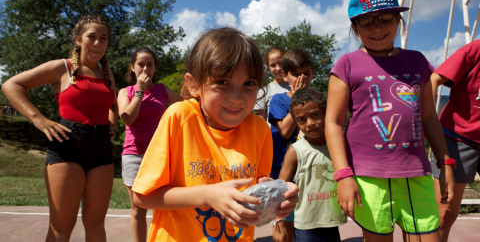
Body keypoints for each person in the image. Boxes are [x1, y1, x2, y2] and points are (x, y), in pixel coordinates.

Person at [130, 27, 299, 242]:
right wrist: (208, 195)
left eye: (249, 84)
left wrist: (280, 194)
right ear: (193, 84)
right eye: (222, 82)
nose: (237, 97)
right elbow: (143, 196)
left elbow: (255, 192)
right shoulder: (180, 117)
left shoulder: (259, 129)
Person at [324, 0, 455, 242]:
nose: (377, 28)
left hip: (417, 173)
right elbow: (333, 122)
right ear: (355, 28)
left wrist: (445, 161)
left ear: (398, 20)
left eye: (386, 18)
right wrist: (343, 175)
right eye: (366, 21)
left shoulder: (418, 61)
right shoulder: (346, 64)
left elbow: (429, 116)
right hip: (369, 178)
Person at [1, 15, 118, 241]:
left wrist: (111, 122)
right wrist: (38, 118)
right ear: (77, 40)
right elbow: (12, 85)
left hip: (101, 148)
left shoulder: (107, 74)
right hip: (67, 146)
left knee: (96, 225)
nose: (97, 43)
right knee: (62, 227)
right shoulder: (62, 67)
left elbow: (112, 103)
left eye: (103, 38)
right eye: (91, 37)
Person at [117, 47, 179, 242]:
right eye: (141, 64)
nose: (145, 69)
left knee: (167, 205)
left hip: (160, 155)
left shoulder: (162, 90)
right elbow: (127, 118)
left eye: (150, 65)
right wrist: (140, 92)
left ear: (155, 68)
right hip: (133, 155)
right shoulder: (124, 92)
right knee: (138, 208)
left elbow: (185, 107)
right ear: (132, 68)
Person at [276, 87, 346, 242]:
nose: (310, 123)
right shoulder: (295, 151)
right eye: (301, 119)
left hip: (332, 222)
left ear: (326, 112)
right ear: (295, 122)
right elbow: (280, 189)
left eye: (315, 115)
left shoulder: (337, 146)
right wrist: (278, 224)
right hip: (306, 226)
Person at [429, 39, 480, 242]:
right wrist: (427, 120)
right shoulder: (475, 49)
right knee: (444, 215)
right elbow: (434, 79)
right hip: (456, 138)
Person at [269, 49, 314, 242]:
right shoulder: (279, 100)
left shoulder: (317, 101)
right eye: (296, 74)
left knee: (308, 231)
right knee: (284, 233)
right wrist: (296, 98)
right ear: (285, 75)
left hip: (309, 176)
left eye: (306, 74)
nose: (301, 78)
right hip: (283, 175)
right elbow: (285, 131)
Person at [254, 46, 289, 121]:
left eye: (281, 63)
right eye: (273, 65)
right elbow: (261, 120)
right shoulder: (264, 92)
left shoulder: (296, 86)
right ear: (268, 67)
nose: (278, 68)